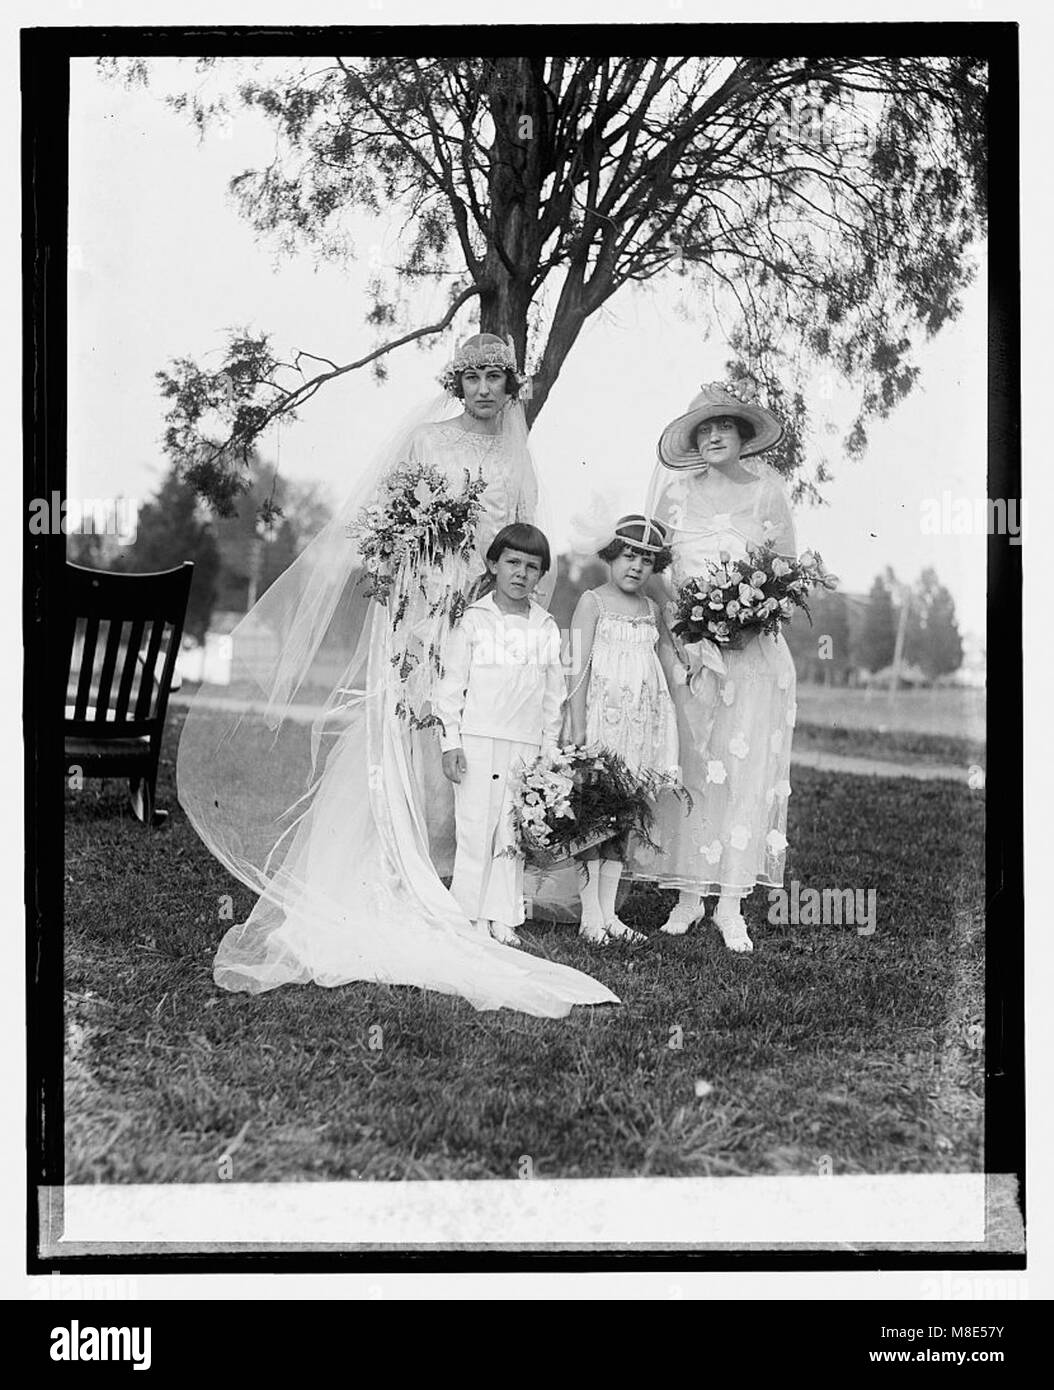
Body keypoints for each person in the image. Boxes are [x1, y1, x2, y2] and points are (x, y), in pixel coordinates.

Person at [176, 334, 618, 1017]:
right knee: (420, 728)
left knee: (477, 731)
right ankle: (406, 869)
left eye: (496, 378)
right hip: (423, 607)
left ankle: (462, 878)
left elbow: (527, 546)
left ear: (510, 386)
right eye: (470, 378)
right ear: (456, 383)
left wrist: (509, 614)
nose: (483, 390)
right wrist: (421, 562)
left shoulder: (517, 457)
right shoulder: (426, 441)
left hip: (481, 610)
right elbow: (389, 529)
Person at [639, 379, 798, 953]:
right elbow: (651, 567)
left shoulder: (767, 494)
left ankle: (730, 902)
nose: (713, 437)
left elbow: (784, 573)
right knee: (694, 762)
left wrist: (749, 613)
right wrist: (686, 618)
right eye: (704, 429)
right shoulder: (676, 496)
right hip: (692, 648)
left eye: (723, 427)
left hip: (753, 654)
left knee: (743, 766)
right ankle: (687, 894)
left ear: (742, 435)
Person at [434, 524, 564, 947]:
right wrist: (450, 741)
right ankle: (468, 914)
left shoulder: (545, 626)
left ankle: (503, 915)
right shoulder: (474, 621)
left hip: (524, 744)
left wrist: (548, 752)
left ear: (540, 575)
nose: (521, 574)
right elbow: (450, 686)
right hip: (477, 739)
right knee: (475, 826)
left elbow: (552, 697)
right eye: (512, 562)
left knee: (512, 830)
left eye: (531, 567)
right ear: (493, 564)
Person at [566, 514, 681, 944]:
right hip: (600, 724)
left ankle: (611, 914)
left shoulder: (652, 610)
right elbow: (576, 669)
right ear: (611, 556)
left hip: (638, 728)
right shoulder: (591, 603)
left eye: (647, 561)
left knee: (622, 820)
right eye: (629, 556)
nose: (636, 567)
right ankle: (589, 916)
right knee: (592, 817)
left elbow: (664, 663)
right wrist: (577, 727)